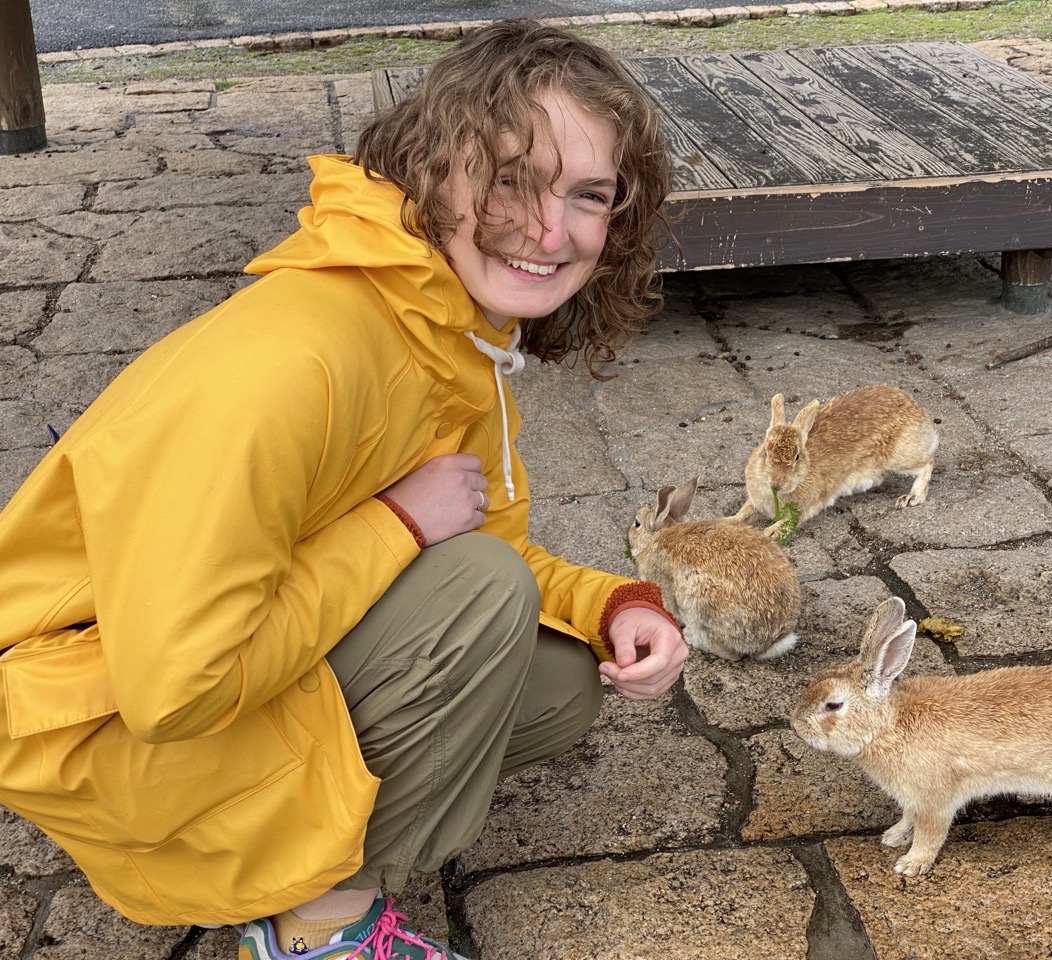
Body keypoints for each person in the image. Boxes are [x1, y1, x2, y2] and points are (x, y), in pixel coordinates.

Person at [0, 19, 686, 960]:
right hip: (88, 723)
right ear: (427, 171)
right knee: (481, 598)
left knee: (559, 678)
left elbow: (478, 541)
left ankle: (292, 850)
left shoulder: (444, 328)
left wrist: (614, 602)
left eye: (588, 194)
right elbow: (178, 691)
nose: (548, 229)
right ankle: (314, 926)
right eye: (510, 178)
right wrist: (397, 524)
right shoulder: (296, 358)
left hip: (183, 680)